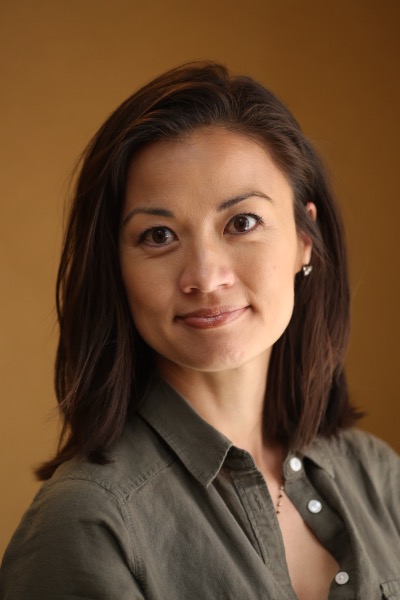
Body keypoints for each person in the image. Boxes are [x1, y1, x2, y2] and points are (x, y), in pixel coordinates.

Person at [0, 62, 399, 600]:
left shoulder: (379, 477)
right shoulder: (89, 524)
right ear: (115, 269)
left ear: (305, 238)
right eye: (158, 235)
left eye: (243, 222)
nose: (206, 278)